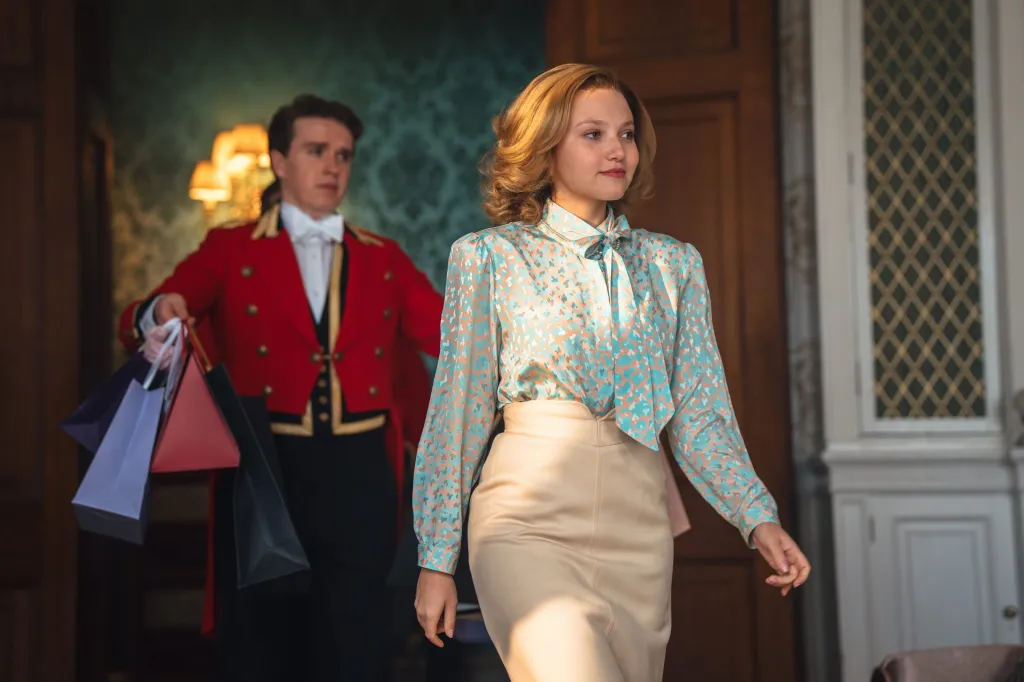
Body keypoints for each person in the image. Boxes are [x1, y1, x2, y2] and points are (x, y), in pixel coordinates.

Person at [411, 63, 812, 681]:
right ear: (545, 148)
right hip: (526, 520)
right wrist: (436, 557)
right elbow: (458, 411)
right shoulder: (489, 257)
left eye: (626, 134)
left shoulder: (674, 264)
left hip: (639, 524)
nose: (617, 150)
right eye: (592, 134)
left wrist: (756, 515)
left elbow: (700, 415)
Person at [117, 93, 444, 682]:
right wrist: (160, 311)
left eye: (343, 155)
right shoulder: (230, 249)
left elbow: (451, 337)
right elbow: (147, 314)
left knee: (357, 643)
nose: (332, 167)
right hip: (264, 472)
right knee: (263, 646)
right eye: (316, 151)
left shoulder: (383, 259)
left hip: (363, 476)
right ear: (278, 160)